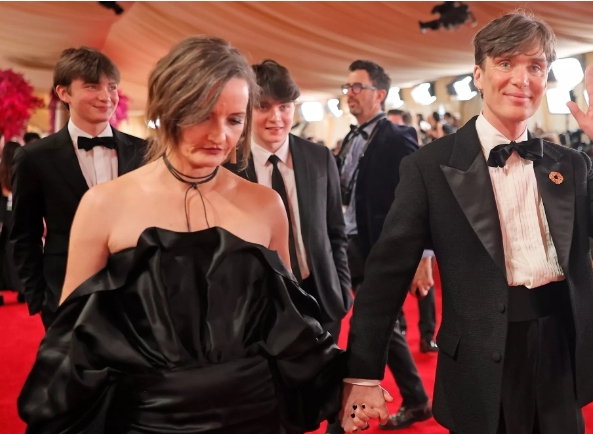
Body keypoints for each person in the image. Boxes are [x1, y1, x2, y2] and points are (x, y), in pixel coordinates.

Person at [340, 12, 593, 434]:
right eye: (506, 63)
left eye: (535, 67)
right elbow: (385, 277)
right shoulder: (430, 166)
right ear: (478, 76)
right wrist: (363, 374)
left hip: (563, 343)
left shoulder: (570, 162)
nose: (522, 79)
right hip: (480, 351)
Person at [18, 36, 344, 434]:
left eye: (234, 120)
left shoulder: (266, 204)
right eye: (202, 115)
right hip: (150, 421)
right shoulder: (104, 205)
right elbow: (76, 344)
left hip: (257, 413)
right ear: (167, 110)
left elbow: (289, 325)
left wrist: (354, 378)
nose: (219, 135)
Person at [10, 46, 147, 329]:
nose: (106, 97)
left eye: (112, 87)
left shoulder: (143, 151)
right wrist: (39, 299)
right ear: (64, 93)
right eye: (92, 86)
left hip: (135, 295)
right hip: (65, 294)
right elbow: (25, 234)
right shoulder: (35, 157)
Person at [226, 59, 352, 344]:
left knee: (326, 384)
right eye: (263, 107)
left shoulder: (320, 158)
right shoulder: (230, 166)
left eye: (284, 106)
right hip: (261, 303)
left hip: (323, 295)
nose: (276, 117)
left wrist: (342, 290)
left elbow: (336, 231)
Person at [335, 60, 432, 430]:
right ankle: (414, 398)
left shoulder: (397, 136)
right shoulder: (350, 137)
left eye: (357, 87)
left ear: (380, 94)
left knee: (378, 324)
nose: (350, 94)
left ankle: (417, 399)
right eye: (347, 87)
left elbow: (420, 195)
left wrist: (424, 253)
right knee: (378, 324)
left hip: (378, 246)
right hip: (351, 242)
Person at [386, 109, 439, 352]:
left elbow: (430, 207)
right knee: (393, 287)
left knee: (425, 289)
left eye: (396, 127)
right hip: (390, 235)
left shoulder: (423, 163)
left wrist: (426, 253)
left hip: (419, 238)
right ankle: (400, 328)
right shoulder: (382, 163)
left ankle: (428, 335)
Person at [0, 141, 23, 305]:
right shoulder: (23, 172)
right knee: (20, 253)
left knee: (2, 256)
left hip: (3, 219)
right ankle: (23, 290)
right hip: (18, 217)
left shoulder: (1, 175)